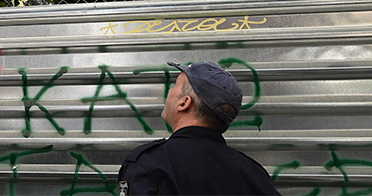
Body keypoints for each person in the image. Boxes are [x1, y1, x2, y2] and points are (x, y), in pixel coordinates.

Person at [117, 61, 280, 195]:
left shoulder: (150, 165)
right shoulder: (254, 174)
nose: (169, 91)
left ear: (184, 102)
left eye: (175, 85)